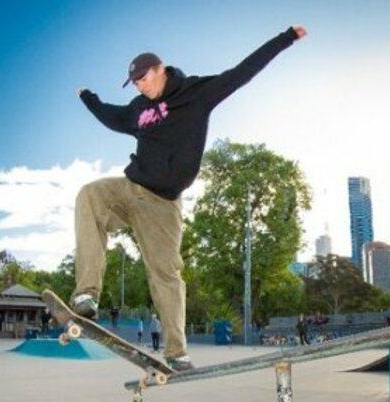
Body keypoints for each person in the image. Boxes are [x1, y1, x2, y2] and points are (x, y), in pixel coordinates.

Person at [70, 25, 308, 372]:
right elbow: (110, 116)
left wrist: (286, 38)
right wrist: (86, 96)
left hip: (162, 204)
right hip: (128, 189)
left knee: (166, 274)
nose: (140, 86)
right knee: (89, 195)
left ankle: (177, 352)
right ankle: (87, 293)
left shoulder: (197, 92)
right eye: (134, 83)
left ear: (160, 69)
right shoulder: (138, 108)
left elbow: (242, 72)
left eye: (144, 79)